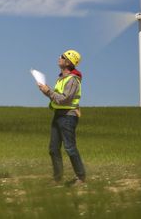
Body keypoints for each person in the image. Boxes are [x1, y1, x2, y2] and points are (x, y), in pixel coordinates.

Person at [38, 49, 86, 185]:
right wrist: (46, 91)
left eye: (62, 57)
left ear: (68, 62)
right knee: (53, 149)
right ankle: (57, 179)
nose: (59, 58)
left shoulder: (73, 80)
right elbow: (56, 97)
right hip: (58, 115)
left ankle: (81, 178)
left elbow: (64, 99)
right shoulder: (61, 79)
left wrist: (48, 92)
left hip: (68, 117)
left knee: (70, 147)